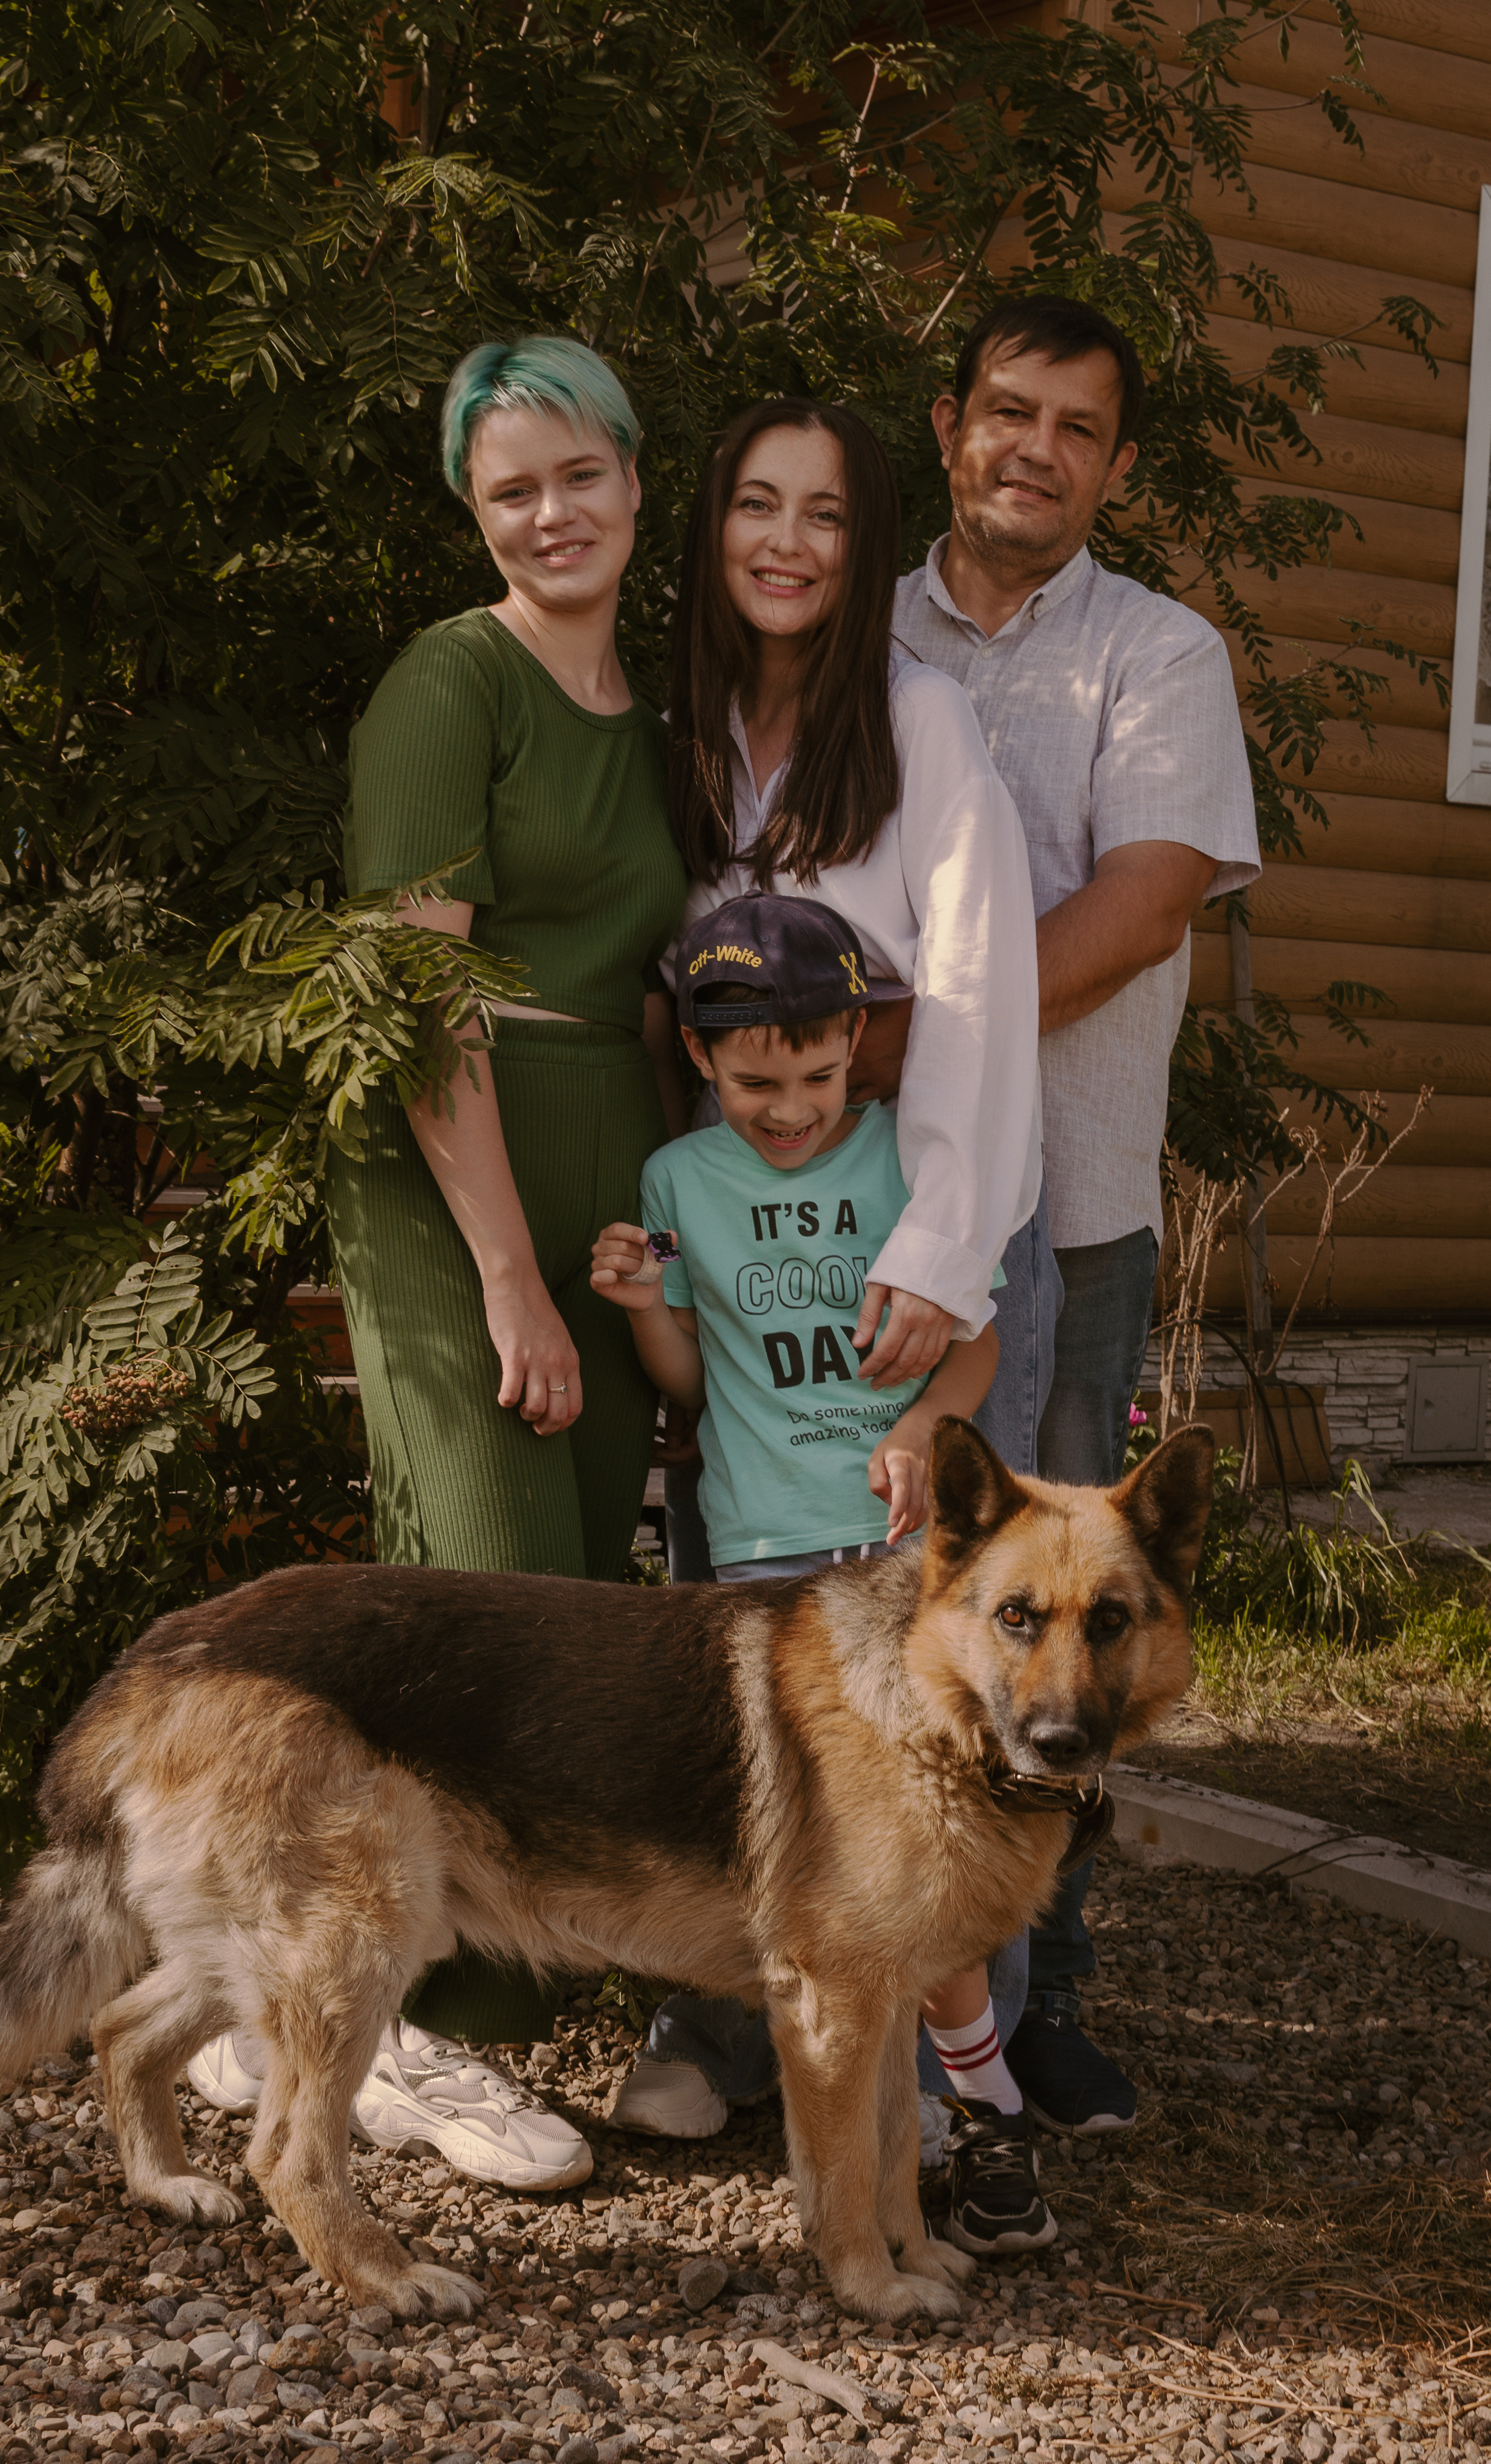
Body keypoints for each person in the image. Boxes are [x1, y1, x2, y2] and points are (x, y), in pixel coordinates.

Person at [186, 334, 688, 2190]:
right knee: (469, 1590)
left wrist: (650, 1241)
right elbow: (415, 1007)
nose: (551, 514)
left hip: (609, 1186)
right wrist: (503, 1277)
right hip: (453, 1180)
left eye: (577, 474)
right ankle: (384, 2035)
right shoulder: (445, 681)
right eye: (510, 492)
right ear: (475, 517)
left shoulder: (658, 703)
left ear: (637, 478)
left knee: (575, 1609)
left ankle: (367, 2003)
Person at [893, 293, 1261, 2138]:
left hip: (1073, 1207)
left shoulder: (1155, 655)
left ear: (1111, 465)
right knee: (826, 1577)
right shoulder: (848, 621)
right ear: (949, 422)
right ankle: (802, 1979)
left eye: (1074, 429)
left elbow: (1141, 905)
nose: (1031, 449)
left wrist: (892, 1036)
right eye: (1006, 412)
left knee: (1060, 1613)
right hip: (834, 1199)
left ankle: (1029, 2003)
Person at [593, 893, 1055, 2255]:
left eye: (814, 1075)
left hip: (903, 1562)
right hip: (761, 1552)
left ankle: (978, 2107)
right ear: (701, 1062)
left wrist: (922, 1426)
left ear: (859, 1042)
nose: (787, 1107)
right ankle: (840, 2098)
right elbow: (688, 1375)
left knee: (936, 1855)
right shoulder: (681, 1184)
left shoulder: (911, 1162)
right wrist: (640, 1314)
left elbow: (970, 1337)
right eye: (754, 1082)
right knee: (808, 1863)